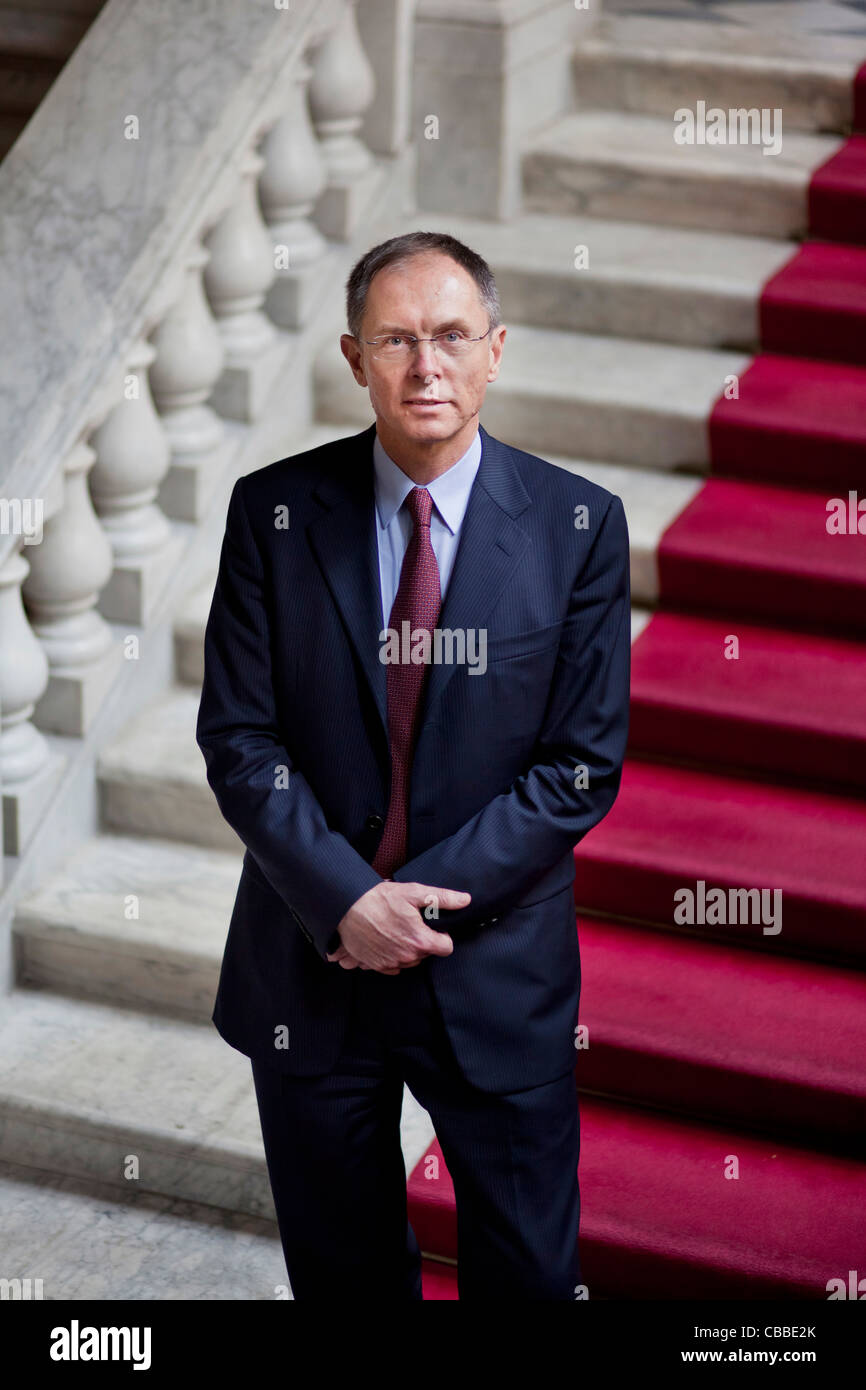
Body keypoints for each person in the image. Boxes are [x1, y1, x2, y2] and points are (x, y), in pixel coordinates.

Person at [196, 229, 631, 1300]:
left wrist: (411, 907)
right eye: (395, 339)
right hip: (312, 959)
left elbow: (578, 764)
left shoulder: (577, 527)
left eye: (448, 336)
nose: (424, 365)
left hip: (494, 970)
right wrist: (348, 900)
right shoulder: (273, 512)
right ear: (353, 358)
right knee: (342, 1280)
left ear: (494, 349)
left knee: (527, 1277)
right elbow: (239, 740)